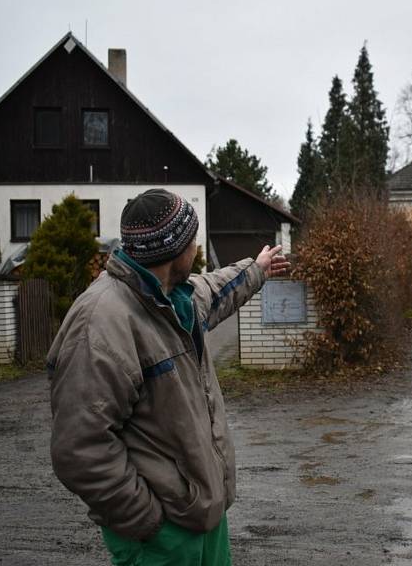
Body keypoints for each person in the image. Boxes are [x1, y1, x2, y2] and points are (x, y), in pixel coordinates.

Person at [47, 188, 289, 566]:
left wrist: (257, 269)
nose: (196, 247)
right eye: (193, 239)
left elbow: (216, 288)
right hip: (162, 534)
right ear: (177, 250)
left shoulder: (176, 296)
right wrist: (148, 522)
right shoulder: (101, 321)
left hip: (203, 515)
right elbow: (80, 448)